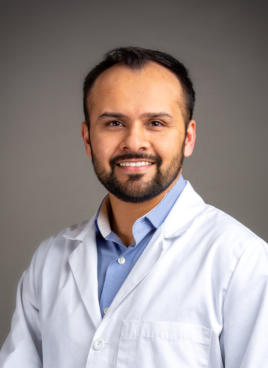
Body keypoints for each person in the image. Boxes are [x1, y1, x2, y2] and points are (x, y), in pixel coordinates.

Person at [0, 47, 267, 368]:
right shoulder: (49, 261)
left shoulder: (244, 263)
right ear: (87, 139)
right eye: (114, 123)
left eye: (156, 122)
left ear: (188, 137)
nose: (134, 141)